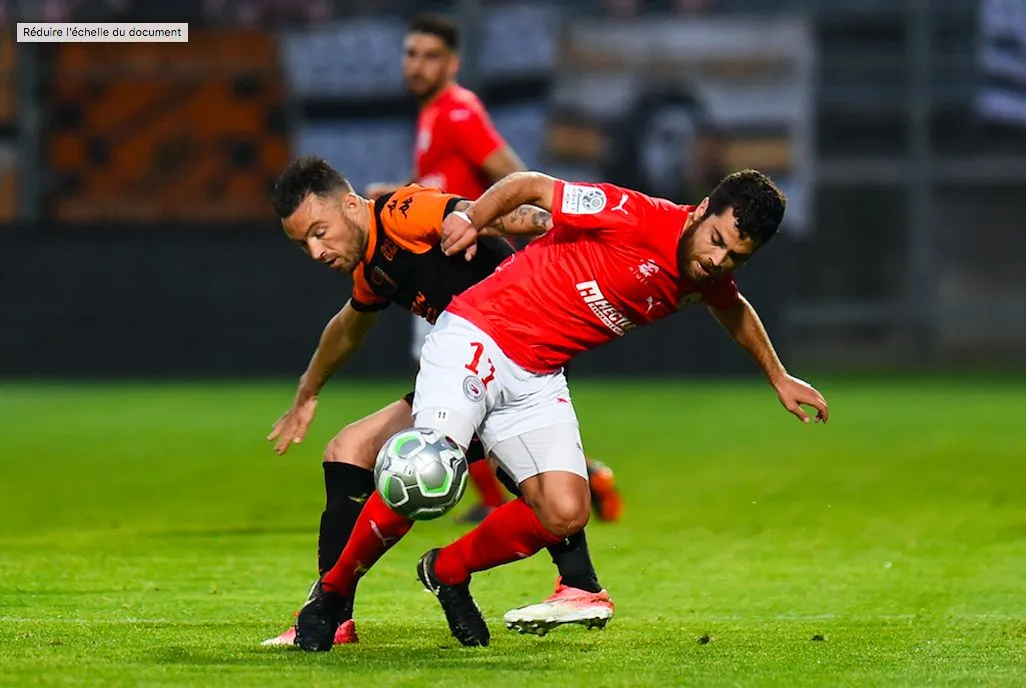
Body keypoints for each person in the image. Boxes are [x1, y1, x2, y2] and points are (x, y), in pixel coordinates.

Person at [295, 168, 830, 649]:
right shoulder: (635, 215)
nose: (718, 259)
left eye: (736, 256)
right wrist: (476, 218)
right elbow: (530, 185)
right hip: (478, 334)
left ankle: (448, 570)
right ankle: (331, 596)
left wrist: (777, 375)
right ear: (699, 212)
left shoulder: (708, 275)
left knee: (565, 512)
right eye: (716, 240)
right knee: (427, 467)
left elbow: (733, 308)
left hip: (536, 374)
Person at [262, 157, 615, 650]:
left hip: (514, 358)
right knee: (349, 450)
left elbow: (475, 212)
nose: (317, 251)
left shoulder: (402, 212)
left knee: (435, 470)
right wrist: (309, 388)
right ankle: (341, 613)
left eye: (319, 232)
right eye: (304, 244)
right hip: (467, 367)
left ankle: (575, 582)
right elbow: (350, 325)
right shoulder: (372, 265)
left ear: (349, 204)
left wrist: (552, 221)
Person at [364, 13, 623, 523]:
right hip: (441, 268)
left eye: (430, 56)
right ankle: (580, 478)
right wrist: (397, 191)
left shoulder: (458, 110)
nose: (417, 65)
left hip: (466, 275)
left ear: (453, 63)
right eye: (411, 54)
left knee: (454, 386)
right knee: (463, 391)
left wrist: (503, 220)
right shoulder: (433, 115)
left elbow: (514, 174)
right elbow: (442, 183)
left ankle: (526, 491)